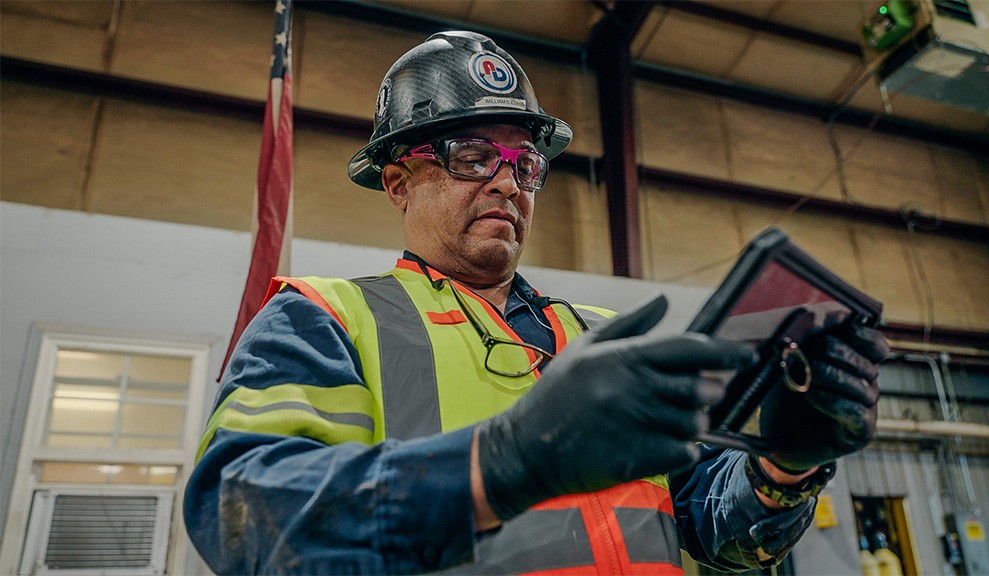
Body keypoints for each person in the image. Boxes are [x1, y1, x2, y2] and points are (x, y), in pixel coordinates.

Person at [184, 30, 889, 575]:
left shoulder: (603, 340)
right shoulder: (324, 321)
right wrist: (500, 463)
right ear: (398, 183)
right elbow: (240, 514)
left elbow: (708, 528)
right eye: (471, 156)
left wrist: (783, 469)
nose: (508, 183)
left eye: (525, 163)